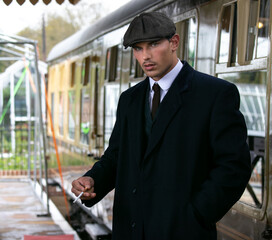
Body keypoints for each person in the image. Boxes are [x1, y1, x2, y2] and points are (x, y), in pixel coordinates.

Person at [71, 12, 251, 239]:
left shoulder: (215, 94)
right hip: (131, 231)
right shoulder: (130, 100)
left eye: (154, 44)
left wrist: (196, 214)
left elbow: (234, 167)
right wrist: (93, 180)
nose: (145, 56)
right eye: (138, 48)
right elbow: (117, 157)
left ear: (174, 42)